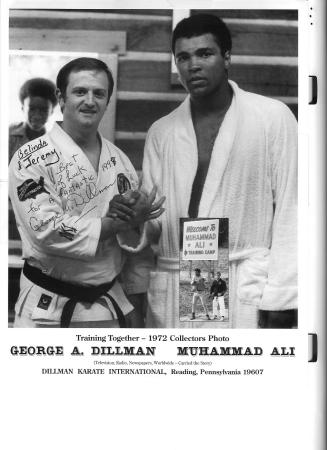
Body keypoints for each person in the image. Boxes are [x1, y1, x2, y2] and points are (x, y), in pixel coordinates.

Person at [138, 13, 297, 328]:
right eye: (183, 57)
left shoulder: (272, 117)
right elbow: (154, 219)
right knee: (183, 374)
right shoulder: (162, 131)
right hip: (179, 275)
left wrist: (283, 295)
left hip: (245, 279)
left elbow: (293, 208)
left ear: (227, 58)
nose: (193, 65)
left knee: (235, 372)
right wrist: (136, 218)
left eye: (204, 53)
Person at [9, 57, 164, 328]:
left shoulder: (120, 161)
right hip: (47, 309)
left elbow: (133, 250)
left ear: (108, 100)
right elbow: (46, 228)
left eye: (99, 93)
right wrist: (116, 222)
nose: (90, 101)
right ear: (61, 97)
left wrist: (136, 221)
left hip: (109, 308)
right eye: (80, 91)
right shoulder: (29, 158)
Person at [9, 77, 58, 162]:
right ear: (23, 108)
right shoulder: (8, 134)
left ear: (51, 112)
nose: (37, 116)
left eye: (43, 110)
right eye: (32, 109)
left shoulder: (54, 144)